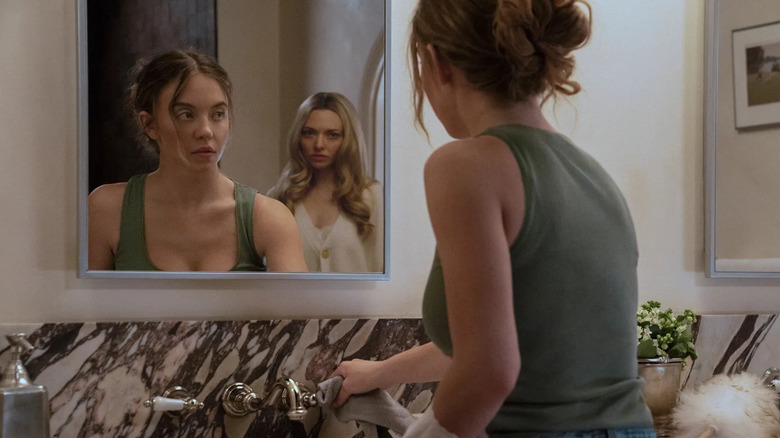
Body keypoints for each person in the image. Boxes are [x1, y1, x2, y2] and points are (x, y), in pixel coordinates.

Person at [331, 1, 655, 437]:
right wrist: (383, 373)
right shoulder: (595, 177)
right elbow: (508, 339)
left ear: (435, 62)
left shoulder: (464, 165)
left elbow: (489, 369)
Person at [88, 49, 307, 272]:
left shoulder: (267, 217)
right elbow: (77, 304)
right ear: (150, 125)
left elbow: (298, 306)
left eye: (218, 114)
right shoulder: (107, 210)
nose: (205, 131)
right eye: (186, 115)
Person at [268, 92, 383, 273]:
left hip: (357, 302)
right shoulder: (278, 198)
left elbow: (382, 269)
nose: (319, 144)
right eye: (309, 133)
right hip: (293, 302)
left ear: (348, 140)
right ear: (298, 137)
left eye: (332, 135)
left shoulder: (372, 196)